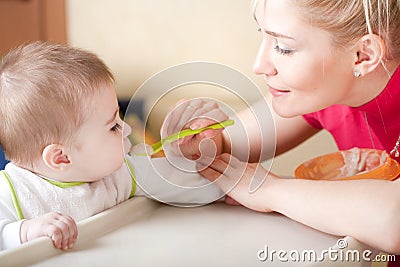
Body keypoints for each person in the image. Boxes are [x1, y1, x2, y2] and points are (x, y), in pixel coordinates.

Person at [161, 0, 400, 260]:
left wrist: (269, 190)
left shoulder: (326, 85)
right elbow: (225, 142)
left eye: (284, 48)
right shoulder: (326, 91)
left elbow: (394, 218)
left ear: (363, 55)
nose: (259, 65)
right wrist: (195, 140)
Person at [0, 41, 222, 251]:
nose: (126, 130)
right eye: (113, 126)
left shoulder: (123, 173)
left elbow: (193, 183)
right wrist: (23, 232)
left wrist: (201, 154)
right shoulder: (11, 191)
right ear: (61, 158)